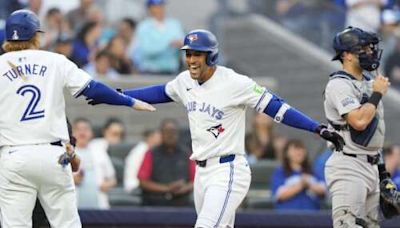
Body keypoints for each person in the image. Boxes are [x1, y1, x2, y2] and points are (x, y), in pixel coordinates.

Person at [90, 29, 344, 227]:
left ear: (210, 56)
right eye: (188, 53)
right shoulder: (184, 81)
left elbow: (277, 107)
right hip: (202, 173)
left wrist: (315, 128)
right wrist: (117, 96)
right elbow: (158, 92)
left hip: (228, 169)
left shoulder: (235, 82)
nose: (191, 59)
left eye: (196, 54)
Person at [0, 9, 154, 228]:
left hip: (13, 155)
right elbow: (93, 89)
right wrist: (129, 101)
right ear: (37, 35)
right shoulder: (54, 60)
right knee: (67, 224)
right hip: (52, 154)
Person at [324, 26, 391, 227]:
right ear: (346, 55)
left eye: (370, 48)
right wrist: (377, 94)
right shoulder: (339, 84)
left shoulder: (370, 83)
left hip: (370, 166)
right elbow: (359, 122)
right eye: (363, 48)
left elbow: (374, 134)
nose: (370, 52)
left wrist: (383, 174)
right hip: (349, 166)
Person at [138, 119, 195, 206]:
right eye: (167, 132)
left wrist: (184, 188)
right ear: (161, 133)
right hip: (155, 201)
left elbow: (195, 180)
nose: (170, 135)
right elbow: (143, 182)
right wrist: (167, 189)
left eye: (173, 132)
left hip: (182, 201)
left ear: (178, 134)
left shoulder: (187, 153)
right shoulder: (151, 153)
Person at [271, 139, 326, 210]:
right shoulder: (280, 172)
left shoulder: (313, 172)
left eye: (301, 149)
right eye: (295, 149)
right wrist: (300, 185)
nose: (298, 152)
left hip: (312, 214)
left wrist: (309, 184)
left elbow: (323, 191)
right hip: (287, 215)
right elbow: (278, 195)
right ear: (286, 153)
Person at [135, 0, 185, 74]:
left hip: (172, 71)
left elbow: (184, 43)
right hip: (150, 72)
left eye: (161, 5)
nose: (160, 9)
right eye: (156, 6)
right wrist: (168, 44)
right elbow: (146, 51)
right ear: (149, 8)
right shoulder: (143, 26)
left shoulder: (174, 24)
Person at [124, 128, 161, 193]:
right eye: (158, 137)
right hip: (135, 185)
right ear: (150, 138)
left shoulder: (150, 150)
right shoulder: (141, 151)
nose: (161, 140)